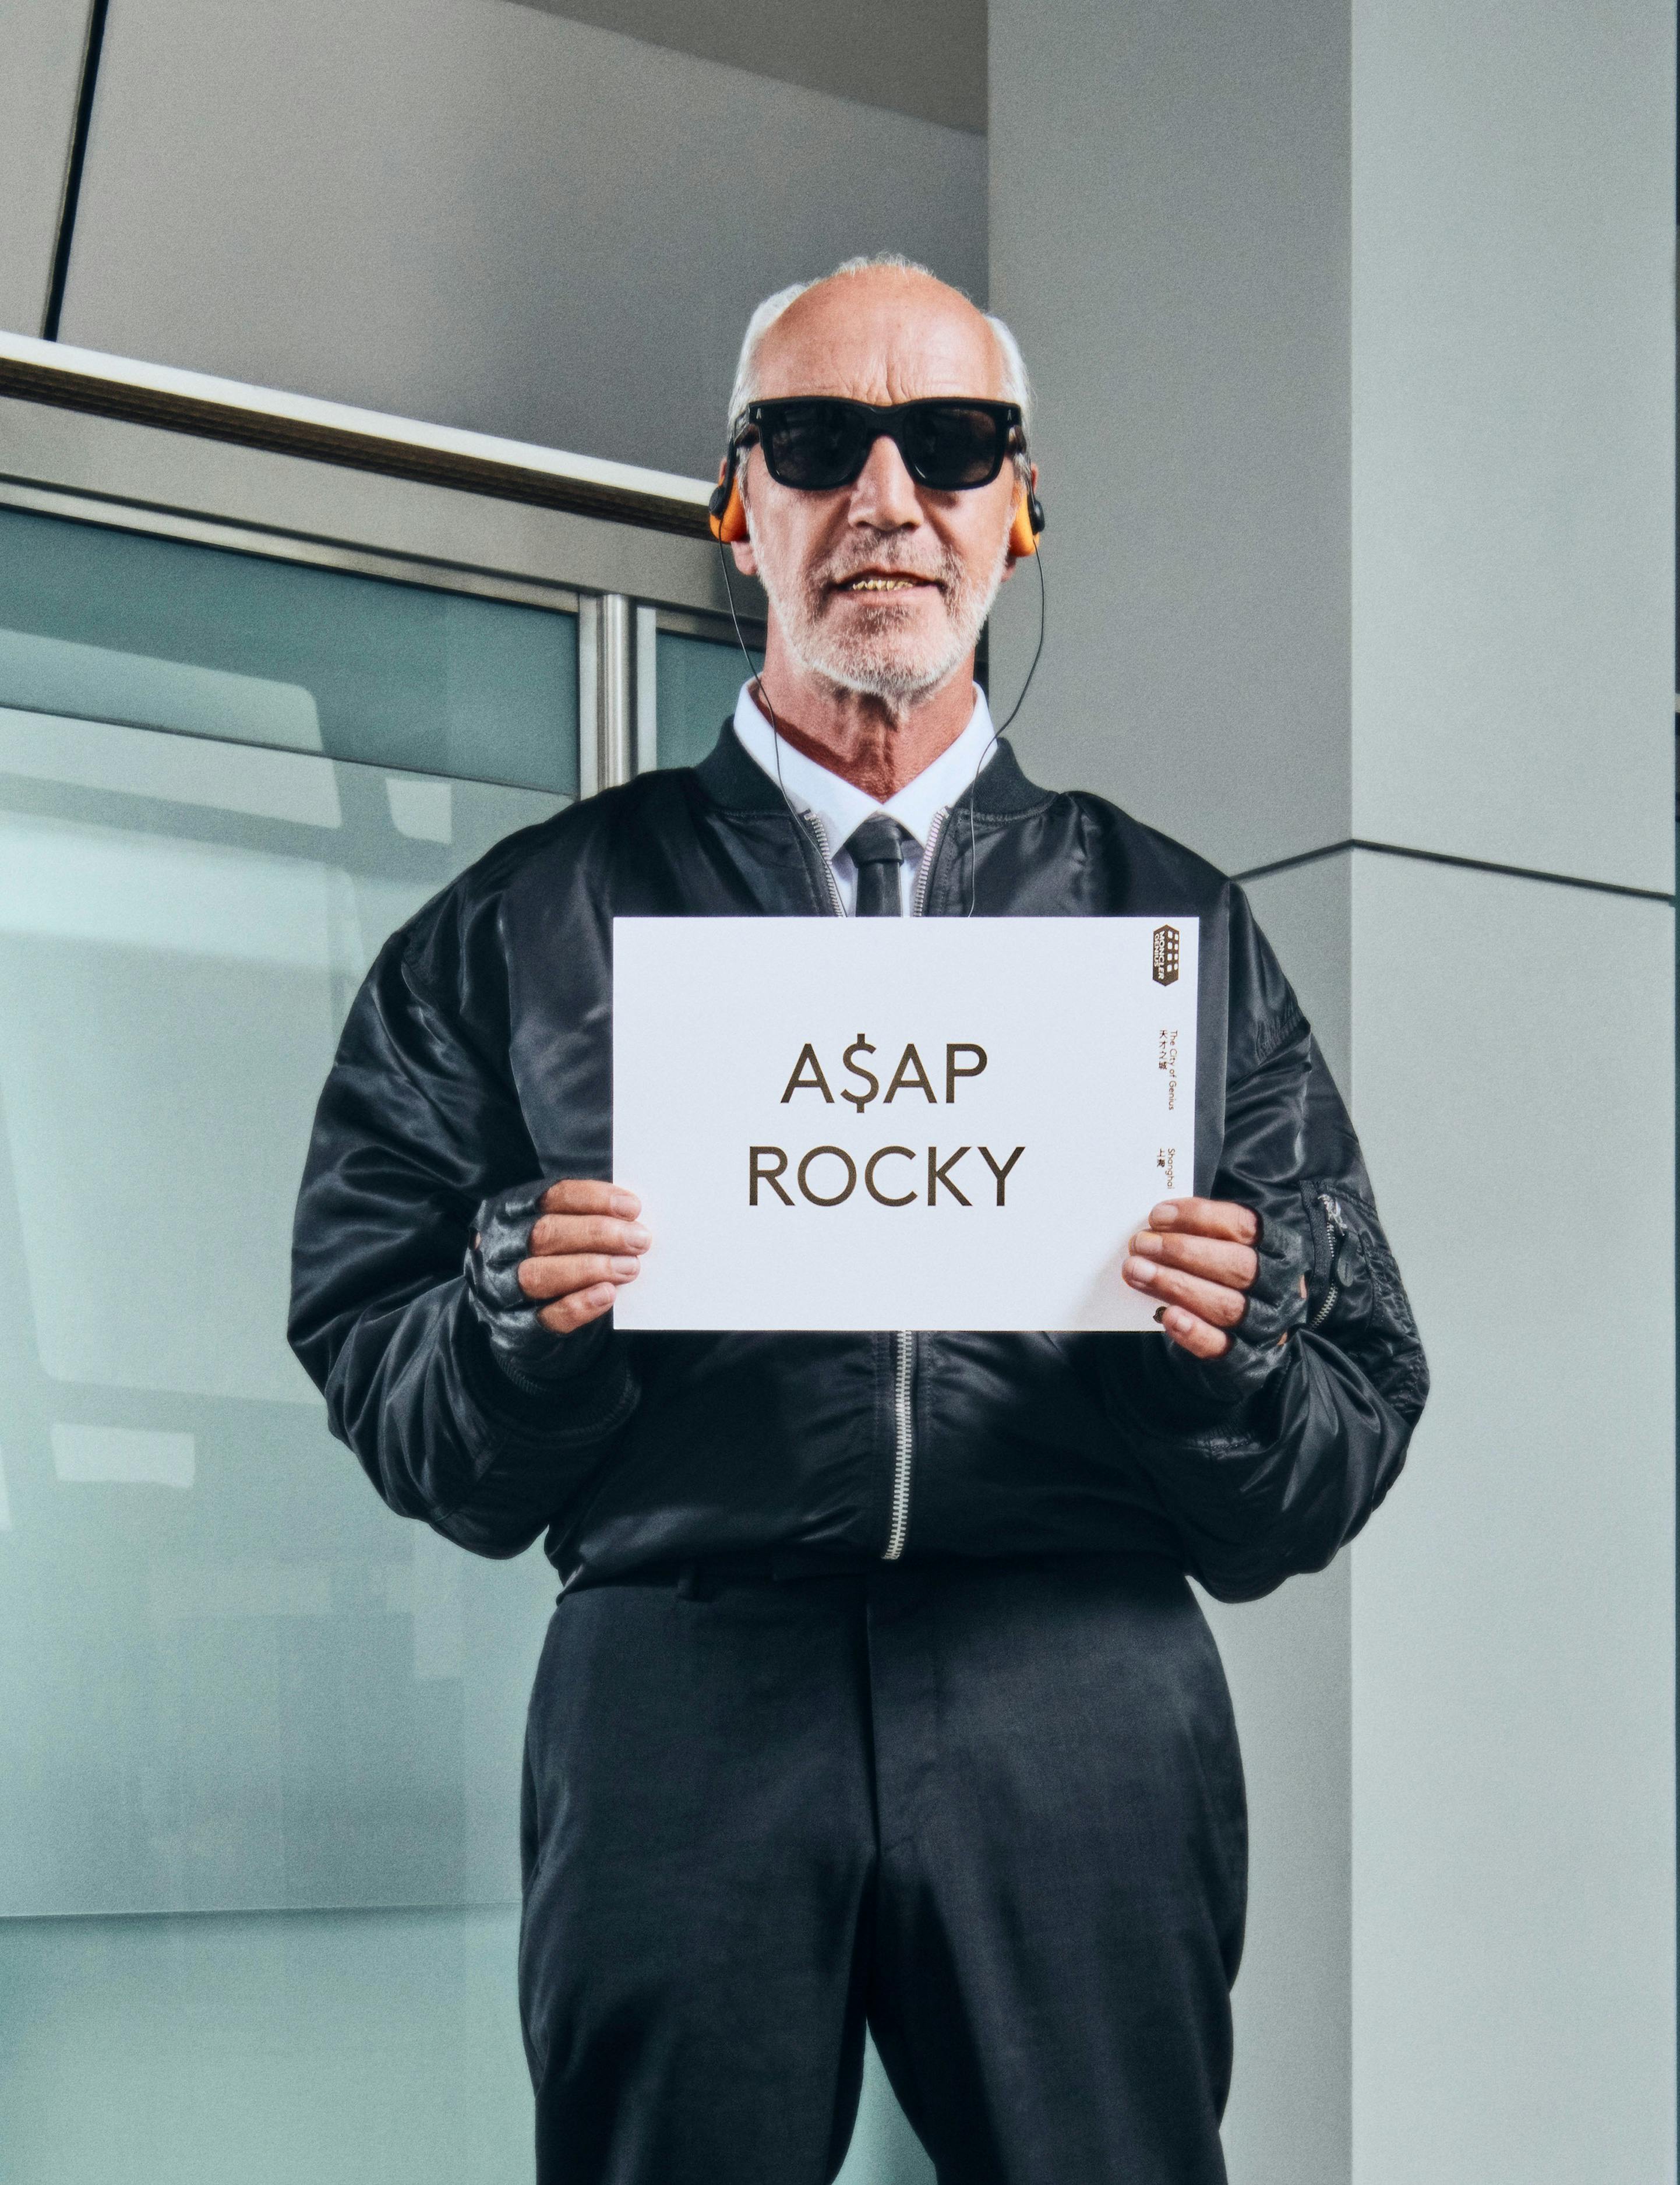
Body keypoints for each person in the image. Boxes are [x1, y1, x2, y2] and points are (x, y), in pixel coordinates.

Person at [290, 255, 1427, 2185]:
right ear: (741, 505)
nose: (887, 497)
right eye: (818, 441)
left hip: (1077, 1684)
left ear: (1020, 505)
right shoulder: (525, 923)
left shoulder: (1174, 935)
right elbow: (377, 1359)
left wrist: (1232, 1350)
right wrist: (507, 1317)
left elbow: (1343, 1431)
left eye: (954, 442)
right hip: (680, 1678)